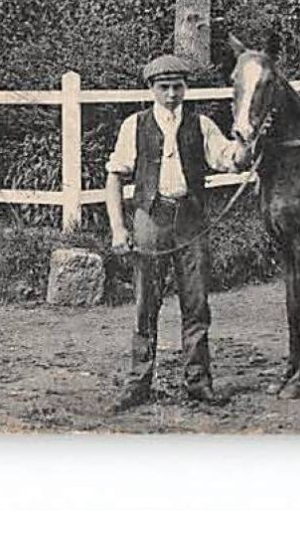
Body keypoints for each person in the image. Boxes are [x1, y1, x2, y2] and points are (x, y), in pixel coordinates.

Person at [107, 54, 246, 411]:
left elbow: (227, 158)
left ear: (186, 88)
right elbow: (114, 176)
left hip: (192, 221)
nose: (171, 94)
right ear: (151, 88)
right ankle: (138, 382)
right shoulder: (134, 126)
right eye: (164, 87)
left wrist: (244, 144)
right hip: (150, 220)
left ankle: (198, 382)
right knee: (145, 303)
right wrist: (118, 229)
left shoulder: (201, 125)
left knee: (196, 304)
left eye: (177, 87)